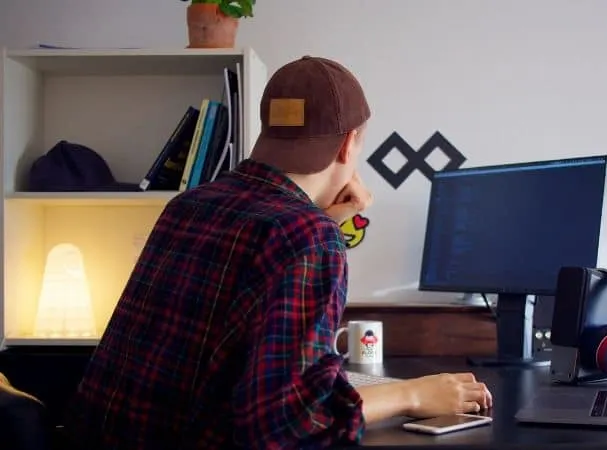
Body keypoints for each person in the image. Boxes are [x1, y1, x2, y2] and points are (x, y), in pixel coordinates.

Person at [64, 55, 492, 450]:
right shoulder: (303, 236)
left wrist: (324, 221)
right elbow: (288, 426)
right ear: (348, 146)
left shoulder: (189, 204)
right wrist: (411, 393)